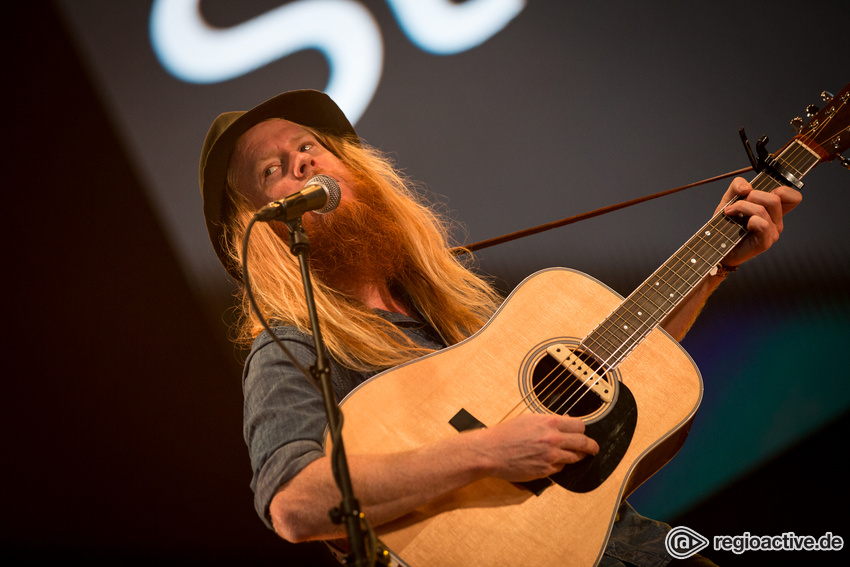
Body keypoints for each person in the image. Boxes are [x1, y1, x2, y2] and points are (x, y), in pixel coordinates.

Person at [198, 90, 801, 566]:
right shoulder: (290, 348)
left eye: (309, 146)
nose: (301, 160)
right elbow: (294, 503)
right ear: (268, 227)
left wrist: (715, 264)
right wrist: (487, 453)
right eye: (273, 170)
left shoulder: (455, 308)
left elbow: (618, 365)